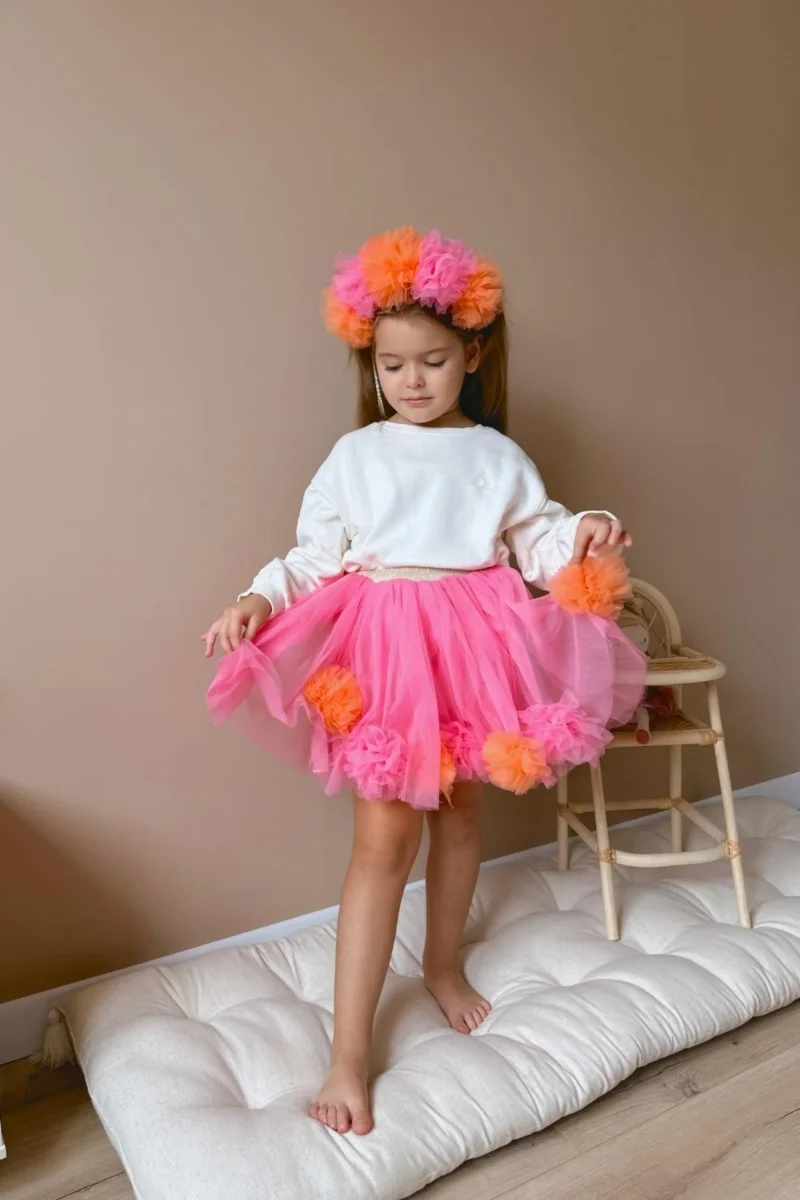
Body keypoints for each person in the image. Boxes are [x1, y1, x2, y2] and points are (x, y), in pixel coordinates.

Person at [203, 227, 645, 1137]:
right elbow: (313, 557)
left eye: (433, 362)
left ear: (472, 356)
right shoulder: (355, 456)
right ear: (371, 364)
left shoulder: (495, 456)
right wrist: (256, 597)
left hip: (474, 647)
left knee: (463, 815)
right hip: (385, 654)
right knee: (381, 844)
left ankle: (441, 964)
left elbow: (541, 540)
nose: (410, 381)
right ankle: (348, 1052)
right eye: (392, 365)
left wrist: (587, 530)